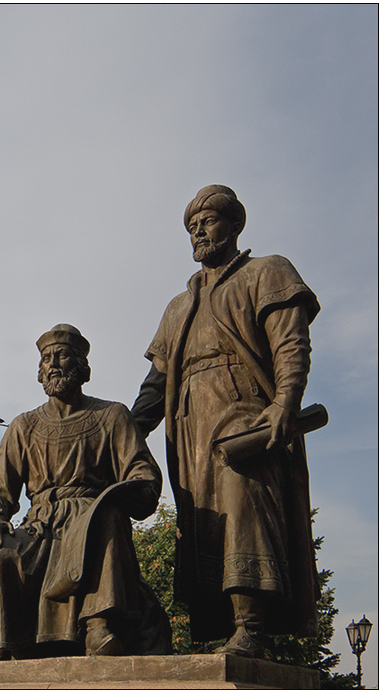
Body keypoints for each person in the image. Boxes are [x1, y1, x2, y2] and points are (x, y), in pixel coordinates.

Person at [131, 185, 320, 658]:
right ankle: (226, 624)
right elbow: (154, 386)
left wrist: (284, 404)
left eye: (209, 220)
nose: (198, 230)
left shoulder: (265, 272)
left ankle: (251, 625)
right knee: (204, 523)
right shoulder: (179, 306)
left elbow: (290, 344)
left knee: (244, 503)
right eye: (192, 226)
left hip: (246, 413)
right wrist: (125, 435)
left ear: (235, 224)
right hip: (192, 426)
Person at [0, 324, 171, 660]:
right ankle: (3, 640)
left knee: (108, 516)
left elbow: (140, 469)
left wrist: (123, 492)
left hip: (91, 517)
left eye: (61, 356)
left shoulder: (111, 415)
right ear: (39, 371)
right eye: (46, 358)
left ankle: (99, 624)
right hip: (40, 526)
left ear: (81, 367)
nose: (53, 364)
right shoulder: (24, 426)